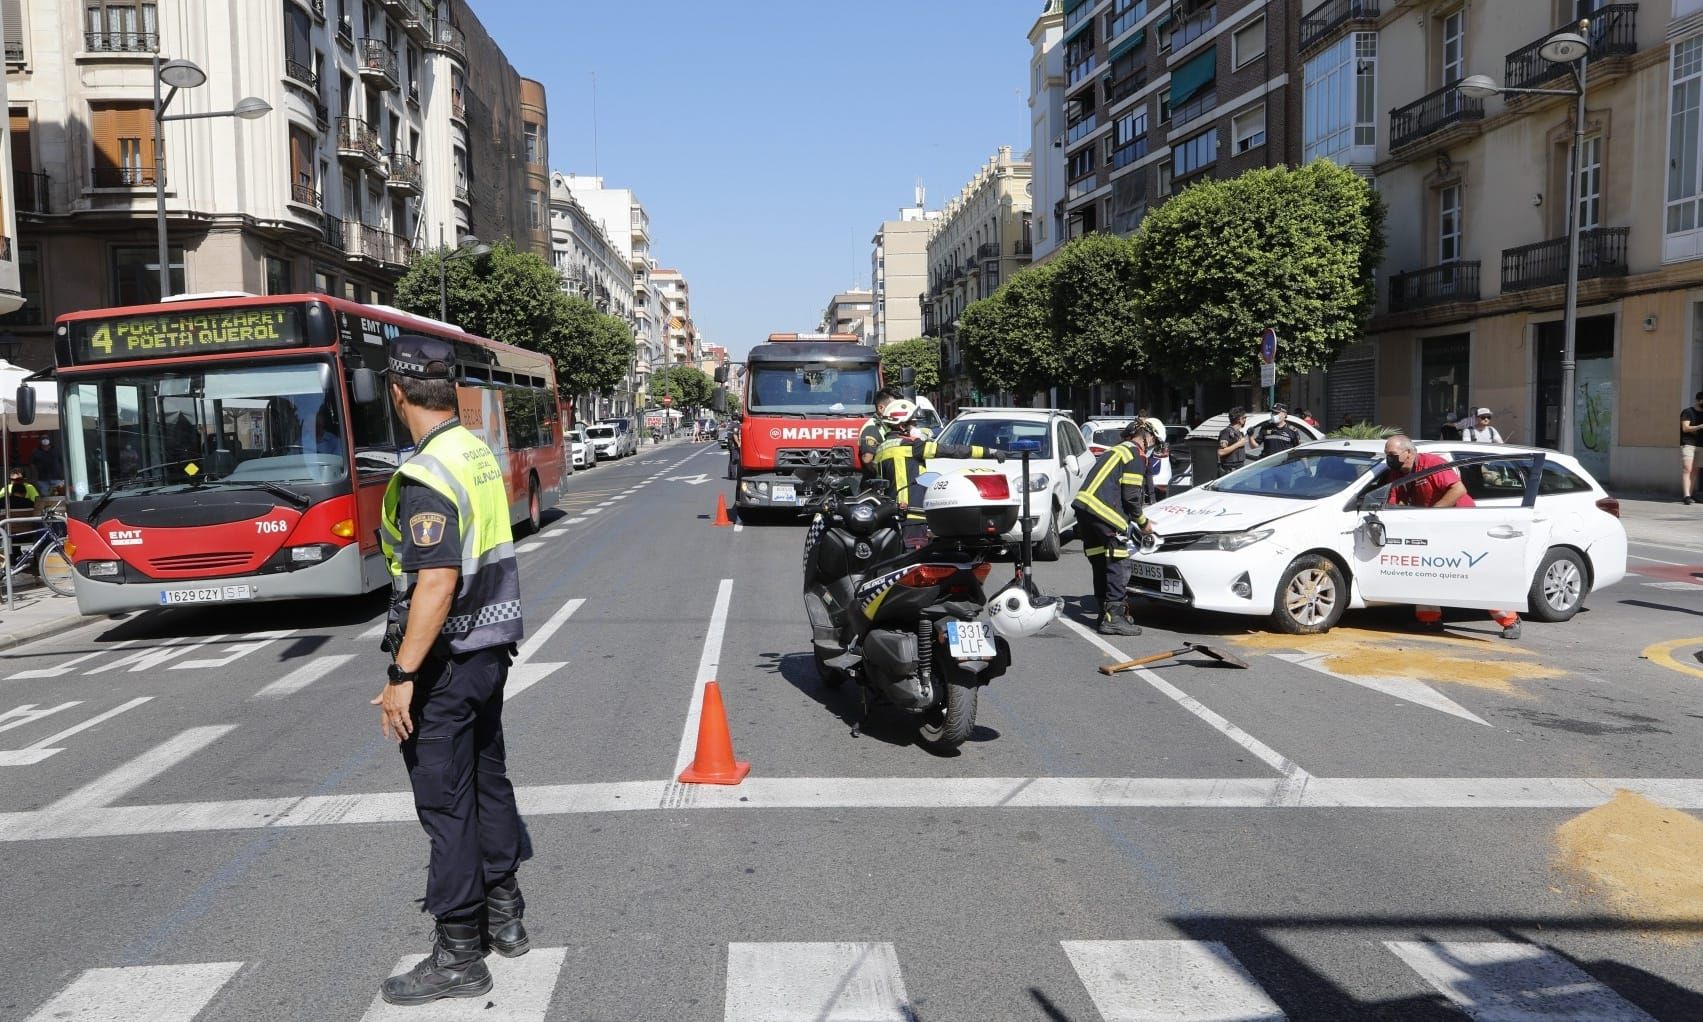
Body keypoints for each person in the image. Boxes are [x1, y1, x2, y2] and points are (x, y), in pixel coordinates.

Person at [371, 336, 531, 1007]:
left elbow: (434, 582)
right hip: (489, 648)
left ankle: (460, 952)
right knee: (486, 781)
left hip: (444, 659)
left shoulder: (429, 473)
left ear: (398, 393)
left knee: (446, 804)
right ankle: (505, 914)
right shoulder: (474, 452)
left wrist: (403, 674)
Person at [1383, 434, 1520, 639]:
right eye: (1387, 455)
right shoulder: (1395, 473)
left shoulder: (1432, 464)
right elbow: (1392, 503)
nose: (1389, 459)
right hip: (1430, 527)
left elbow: (1458, 489)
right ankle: (1429, 620)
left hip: (1460, 524)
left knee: (1472, 573)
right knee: (1424, 572)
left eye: (1392, 454)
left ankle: (1510, 620)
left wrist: (1434, 512)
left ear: (1409, 452)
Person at [1072, 421, 1152, 635]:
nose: (1152, 445)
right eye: (1153, 440)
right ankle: (1114, 617)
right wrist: (1144, 523)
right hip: (1104, 512)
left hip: (1084, 510)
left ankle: (1103, 612)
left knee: (1100, 561)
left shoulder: (1116, 450)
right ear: (1147, 437)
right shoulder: (1135, 454)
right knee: (1118, 561)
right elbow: (1132, 497)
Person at [871, 399, 997, 520]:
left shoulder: (882, 448)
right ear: (902, 426)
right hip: (912, 513)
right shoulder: (914, 447)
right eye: (913, 423)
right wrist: (989, 452)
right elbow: (952, 450)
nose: (916, 427)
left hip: (890, 512)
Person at [857, 387, 903, 481]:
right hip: (876, 485)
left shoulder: (886, 426)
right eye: (894, 407)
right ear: (881, 408)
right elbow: (867, 458)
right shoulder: (872, 427)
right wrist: (882, 475)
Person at [1683, 392, 1703, 504]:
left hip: (1701, 445)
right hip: (1688, 443)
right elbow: (1685, 428)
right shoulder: (1688, 412)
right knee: (1687, 468)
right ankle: (1686, 496)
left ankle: (1690, 495)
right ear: (1698, 400)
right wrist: (1700, 426)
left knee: (1695, 471)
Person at [1217, 407, 1250, 475]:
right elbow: (1221, 452)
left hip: (1239, 470)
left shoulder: (1238, 433)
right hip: (1230, 472)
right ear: (1239, 419)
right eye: (1244, 417)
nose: (1245, 419)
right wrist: (1238, 444)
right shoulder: (1227, 432)